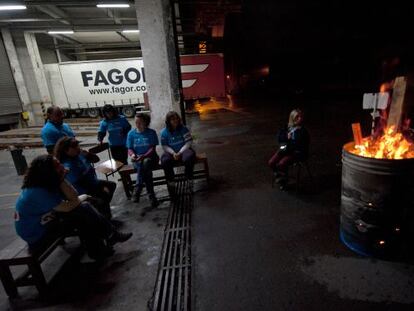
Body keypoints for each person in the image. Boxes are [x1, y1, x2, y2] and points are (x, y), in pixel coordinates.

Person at [14, 155, 132, 260]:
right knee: (84, 212)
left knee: (84, 213)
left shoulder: (47, 183)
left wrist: (62, 178)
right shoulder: (37, 191)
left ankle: (104, 242)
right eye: (57, 165)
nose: (61, 166)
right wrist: (85, 196)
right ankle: (105, 241)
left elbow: (73, 196)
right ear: (48, 171)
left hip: (46, 223)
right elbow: (67, 206)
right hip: (37, 235)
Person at [54, 137, 116, 219]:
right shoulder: (67, 165)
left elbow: (96, 159)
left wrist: (88, 154)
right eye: (74, 147)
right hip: (83, 190)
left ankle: (102, 211)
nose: (78, 148)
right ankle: (102, 216)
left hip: (93, 182)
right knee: (102, 198)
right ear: (66, 150)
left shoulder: (80, 154)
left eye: (77, 145)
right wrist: (100, 189)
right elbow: (82, 183)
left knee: (111, 186)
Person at [268, 109, 310, 190]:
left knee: (281, 163)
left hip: (297, 152)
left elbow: (300, 145)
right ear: (292, 118)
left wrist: (289, 140)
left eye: (301, 117)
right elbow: (279, 138)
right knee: (271, 162)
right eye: (297, 117)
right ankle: (280, 176)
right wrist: (286, 137)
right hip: (286, 149)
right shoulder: (288, 127)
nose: (300, 119)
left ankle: (283, 182)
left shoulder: (303, 131)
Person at [126, 113, 159, 206]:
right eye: (136, 122)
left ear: (146, 122)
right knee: (145, 167)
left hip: (151, 157)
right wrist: (132, 155)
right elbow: (129, 148)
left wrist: (143, 156)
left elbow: (152, 149)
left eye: (140, 122)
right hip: (137, 159)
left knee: (146, 162)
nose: (137, 124)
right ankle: (151, 196)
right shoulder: (131, 134)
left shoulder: (151, 132)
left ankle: (138, 188)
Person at [160, 111, 196, 185]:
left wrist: (180, 152)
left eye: (176, 118)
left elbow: (188, 142)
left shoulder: (183, 129)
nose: (175, 120)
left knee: (189, 156)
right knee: (165, 160)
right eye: (173, 119)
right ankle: (171, 179)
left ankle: (189, 176)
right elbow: (164, 146)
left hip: (184, 150)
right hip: (171, 153)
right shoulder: (164, 132)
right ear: (168, 121)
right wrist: (173, 153)